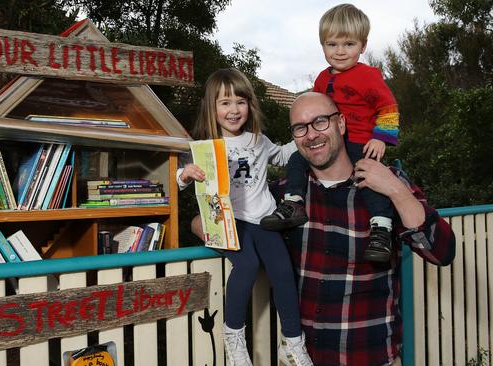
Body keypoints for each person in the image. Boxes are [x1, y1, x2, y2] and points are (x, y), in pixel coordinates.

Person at [283, 92, 455, 365]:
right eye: (300, 128)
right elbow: (230, 225)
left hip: (368, 356)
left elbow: (441, 251)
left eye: (320, 122)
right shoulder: (289, 195)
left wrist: (396, 190)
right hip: (302, 358)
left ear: (340, 124)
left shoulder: (384, 183)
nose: (311, 135)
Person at [177, 68, 313, 366]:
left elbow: (282, 155)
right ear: (212, 108)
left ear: (249, 105)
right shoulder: (205, 146)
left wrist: (307, 131)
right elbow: (181, 176)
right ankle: (234, 339)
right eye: (225, 103)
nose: (234, 109)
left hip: (262, 218)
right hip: (228, 221)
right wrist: (186, 174)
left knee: (283, 272)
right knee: (248, 264)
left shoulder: (258, 140)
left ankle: (293, 343)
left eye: (240, 101)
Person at [261, 3, 400, 263]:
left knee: (369, 180)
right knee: (296, 161)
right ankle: (294, 203)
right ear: (323, 45)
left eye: (348, 44)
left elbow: (388, 107)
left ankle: (381, 229)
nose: (340, 51)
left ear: (363, 46)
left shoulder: (368, 76)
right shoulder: (322, 79)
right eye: (332, 44)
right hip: (332, 140)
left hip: (361, 141)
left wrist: (380, 138)